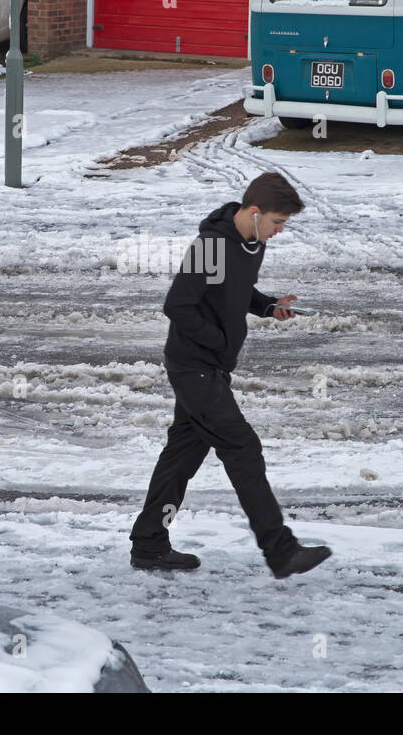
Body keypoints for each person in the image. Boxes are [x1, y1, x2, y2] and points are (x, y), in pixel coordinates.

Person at [129, 172, 333, 579]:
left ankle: (150, 544)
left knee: (181, 457)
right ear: (254, 212)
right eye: (277, 223)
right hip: (194, 367)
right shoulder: (212, 246)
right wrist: (218, 341)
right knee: (242, 448)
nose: (279, 232)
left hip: (211, 367)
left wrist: (267, 306)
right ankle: (280, 550)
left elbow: (234, 292)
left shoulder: (250, 245)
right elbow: (178, 305)